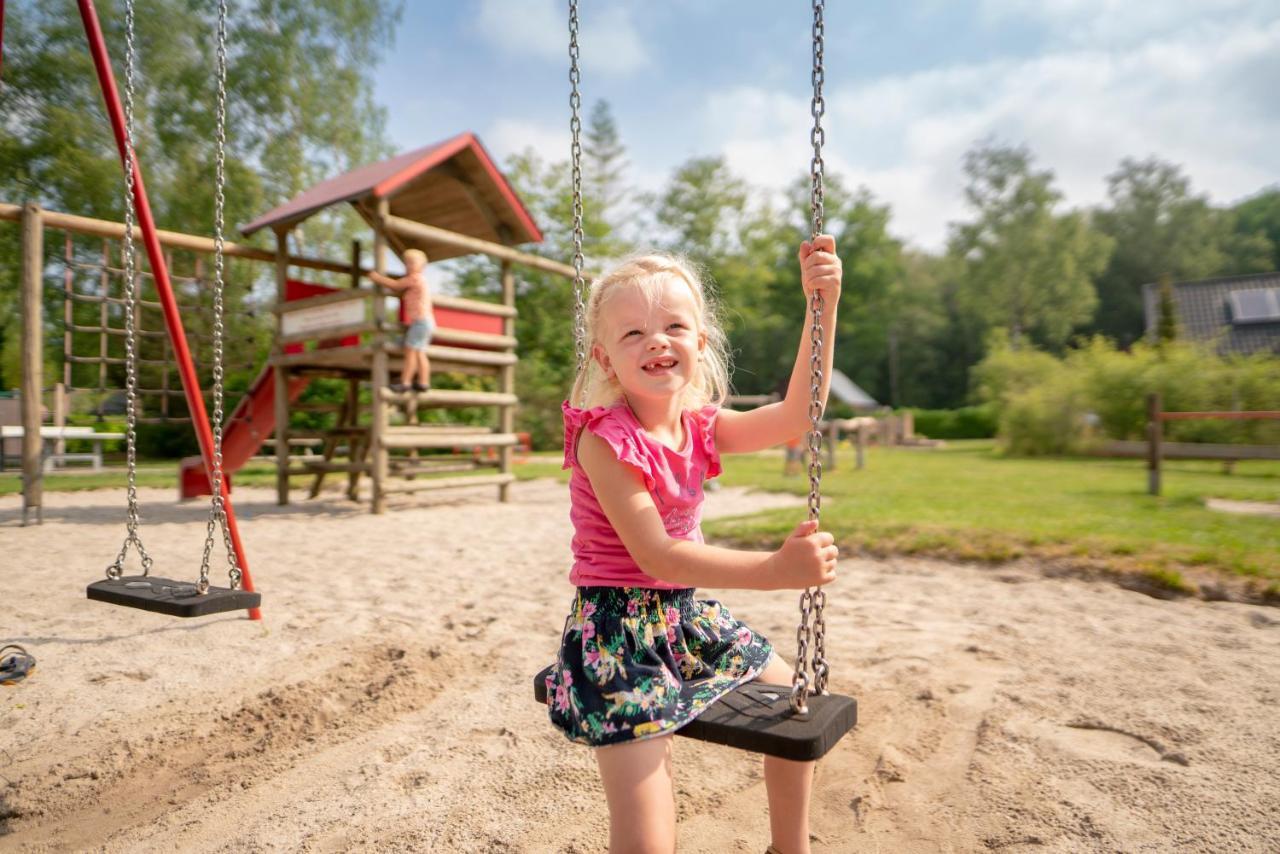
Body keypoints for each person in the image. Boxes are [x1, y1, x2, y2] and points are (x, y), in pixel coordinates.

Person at [545, 237, 842, 854]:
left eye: (673, 325)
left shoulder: (701, 427)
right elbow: (657, 556)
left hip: (683, 619)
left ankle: (790, 848)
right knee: (649, 838)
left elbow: (798, 412)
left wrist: (823, 304)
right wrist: (777, 569)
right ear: (605, 359)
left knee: (796, 710)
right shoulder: (605, 441)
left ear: (699, 342)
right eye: (633, 334)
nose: (656, 340)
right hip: (617, 640)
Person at [369, 248, 434, 392]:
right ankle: (424, 382)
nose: (409, 266)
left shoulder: (415, 278)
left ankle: (405, 382)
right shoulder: (420, 280)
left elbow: (396, 285)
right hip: (425, 322)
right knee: (420, 352)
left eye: (412, 263)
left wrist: (377, 278)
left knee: (410, 351)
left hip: (420, 322)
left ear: (422, 266)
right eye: (407, 263)